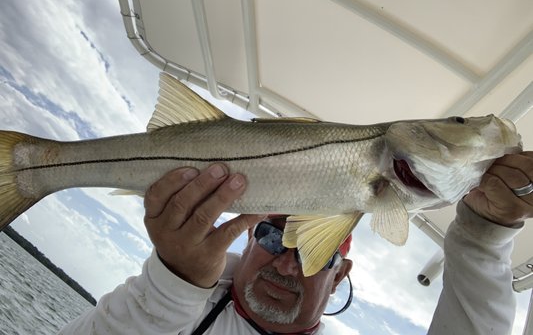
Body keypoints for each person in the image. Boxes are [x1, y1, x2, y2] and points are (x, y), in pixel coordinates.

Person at [59, 151, 533, 335]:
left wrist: (482, 235)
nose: (287, 265)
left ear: (340, 273)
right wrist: (173, 283)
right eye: (273, 234)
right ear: (245, 236)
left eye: (316, 252)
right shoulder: (173, 297)